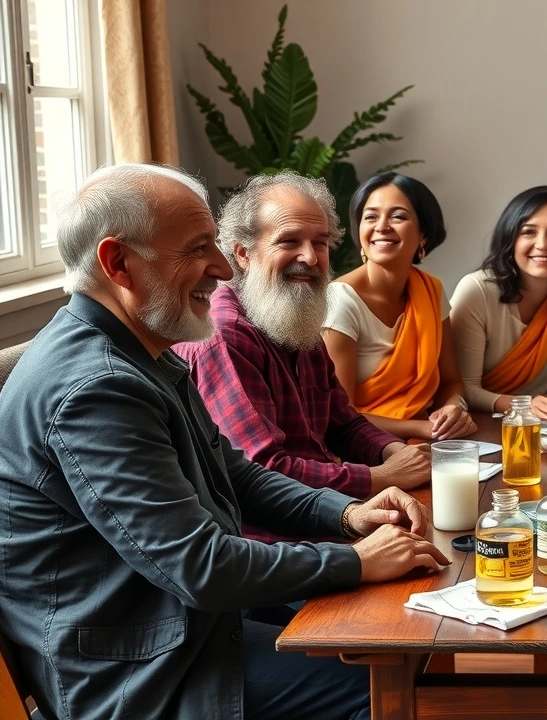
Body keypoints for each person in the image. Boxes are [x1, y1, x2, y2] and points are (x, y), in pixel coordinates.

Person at [0, 163, 450, 720]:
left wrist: (349, 515)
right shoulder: (98, 388)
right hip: (139, 668)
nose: (219, 266)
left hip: (185, 624)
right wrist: (355, 561)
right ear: (117, 263)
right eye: (197, 249)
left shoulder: (143, 349)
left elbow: (236, 472)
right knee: (391, 686)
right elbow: (200, 567)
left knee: (399, 641)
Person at [176, 172, 433, 544]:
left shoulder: (296, 312)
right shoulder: (225, 334)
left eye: (321, 242)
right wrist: (383, 476)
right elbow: (263, 470)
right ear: (243, 253)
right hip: (275, 544)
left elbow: (343, 423)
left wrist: (395, 452)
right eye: (289, 241)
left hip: (334, 512)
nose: (311, 257)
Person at [322, 172, 476, 440]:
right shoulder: (341, 299)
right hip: (360, 447)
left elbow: (451, 381)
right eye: (370, 217)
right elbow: (338, 414)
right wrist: (423, 429)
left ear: (423, 234)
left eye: (398, 216)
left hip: (428, 439)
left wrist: (454, 408)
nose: (381, 226)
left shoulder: (431, 290)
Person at [449, 185, 547, 421]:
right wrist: (523, 406)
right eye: (528, 232)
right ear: (511, 238)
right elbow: (463, 389)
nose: (543, 244)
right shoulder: (477, 291)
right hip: (476, 425)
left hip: (544, 428)